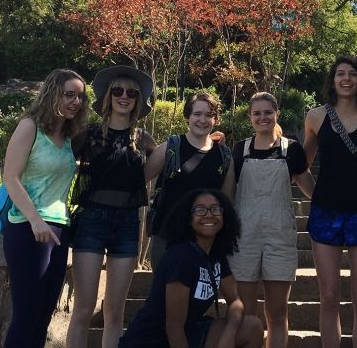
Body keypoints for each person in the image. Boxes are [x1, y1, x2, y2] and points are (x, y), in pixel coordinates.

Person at [302, 56, 357, 348]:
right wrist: (315, 194)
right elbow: (301, 165)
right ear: (332, 79)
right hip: (326, 211)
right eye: (340, 73)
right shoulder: (316, 117)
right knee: (328, 296)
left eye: (352, 74)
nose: (346, 78)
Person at [67, 65, 159, 348]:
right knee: (83, 309)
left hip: (128, 225)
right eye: (118, 90)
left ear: (138, 100)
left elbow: (165, 173)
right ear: (108, 96)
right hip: (91, 221)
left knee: (115, 312)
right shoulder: (86, 135)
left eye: (131, 92)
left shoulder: (144, 140)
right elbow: (57, 166)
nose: (124, 96)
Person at [1, 68, 88, 347]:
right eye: (69, 95)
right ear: (52, 94)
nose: (76, 101)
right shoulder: (30, 126)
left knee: (43, 317)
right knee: (25, 316)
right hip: (29, 229)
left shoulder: (67, 137)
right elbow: (10, 177)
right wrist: (35, 220)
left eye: (80, 97)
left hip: (59, 231)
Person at [222, 92, 314, 348]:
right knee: (246, 314)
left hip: (280, 237)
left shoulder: (292, 150)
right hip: (243, 237)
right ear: (250, 117)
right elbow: (228, 194)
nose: (263, 118)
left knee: (277, 313)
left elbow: (311, 190)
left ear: (277, 114)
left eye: (268, 112)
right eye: (257, 113)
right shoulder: (239, 150)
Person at [119, 189, 263, 348]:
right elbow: (174, 328)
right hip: (150, 341)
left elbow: (236, 301)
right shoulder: (181, 257)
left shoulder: (215, 256)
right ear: (188, 218)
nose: (209, 215)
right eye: (200, 210)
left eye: (215, 209)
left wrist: (230, 331)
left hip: (190, 331)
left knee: (252, 327)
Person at [145, 92, 232, 269]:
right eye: (197, 114)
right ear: (187, 116)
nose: (203, 120)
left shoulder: (224, 156)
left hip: (206, 241)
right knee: (165, 294)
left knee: (201, 295)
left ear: (216, 119)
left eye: (209, 115)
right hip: (167, 238)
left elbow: (228, 201)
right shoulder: (170, 148)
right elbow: (139, 180)